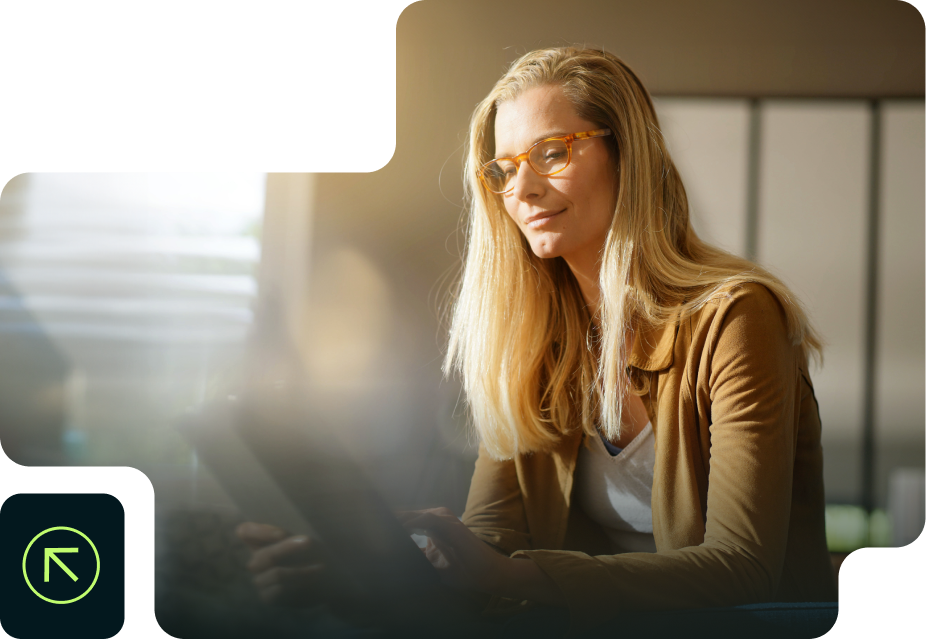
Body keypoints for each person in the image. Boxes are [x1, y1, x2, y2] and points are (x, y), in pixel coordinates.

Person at [237, 46, 838, 636]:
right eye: (502, 168)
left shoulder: (735, 319)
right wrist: (358, 576)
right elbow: (487, 557)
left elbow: (744, 570)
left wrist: (507, 575)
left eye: (551, 153)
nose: (520, 189)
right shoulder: (528, 345)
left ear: (626, 155)